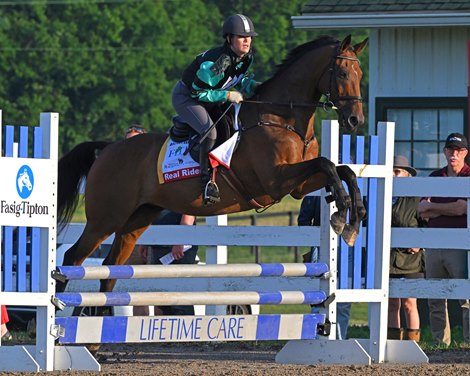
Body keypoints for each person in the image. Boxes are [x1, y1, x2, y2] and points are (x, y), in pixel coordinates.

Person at [172, 14, 259, 206]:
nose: (247, 41)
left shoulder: (246, 58)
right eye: (241, 37)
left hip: (211, 95)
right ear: (229, 39)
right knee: (210, 132)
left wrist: (254, 86)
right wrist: (227, 96)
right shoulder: (216, 63)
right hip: (187, 97)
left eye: (249, 37)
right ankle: (206, 183)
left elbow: (238, 79)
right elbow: (199, 93)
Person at [123, 125, 198, 316]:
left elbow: (189, 203)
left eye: (136, 141)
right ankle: (146, 334)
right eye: (128, 142)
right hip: (148, 238)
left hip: (175, 238)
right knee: (145, 291)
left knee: (176, 294)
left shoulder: (169, 163)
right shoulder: (128, 171)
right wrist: (146, 240)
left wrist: (181, 238)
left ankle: (181, 338)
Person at [417, 132, 470, 346]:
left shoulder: (468, 175)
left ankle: (467, 341)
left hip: (460, 246)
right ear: (444, 151)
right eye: (450, 149)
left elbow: (463, 208)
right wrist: (448, 209)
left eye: (458, 150)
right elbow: (422, 211)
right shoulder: (435, 177)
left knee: (465, 298)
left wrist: (434, 207)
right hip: (434, 244)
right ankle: (441, 342)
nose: (453, 154)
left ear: (465, 153)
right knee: (435, 297)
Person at [298, 194, 352, 340]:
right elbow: (303, 221)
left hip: (346, 246)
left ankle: (339, 340)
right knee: (317, 299)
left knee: (343, 301)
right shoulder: (315, 189)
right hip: (320, 244)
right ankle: (316, 337)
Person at [387, 156, 425, 342]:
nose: (393, 175)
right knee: (391, 303)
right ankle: (392, 343)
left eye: (397, 172)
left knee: (410, 303)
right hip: (388, 258)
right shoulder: (380, 195)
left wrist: (419, 243)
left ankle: (413, 344)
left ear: (407, 175)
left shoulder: (415, 197)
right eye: (391, 171)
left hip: (410, 260)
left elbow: (427, 223)